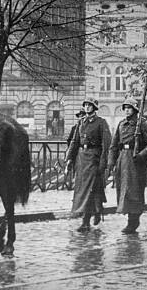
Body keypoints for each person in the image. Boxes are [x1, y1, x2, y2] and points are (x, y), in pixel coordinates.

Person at [108, 98, 147, 234]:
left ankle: (133, 220)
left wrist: (142, 155)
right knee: (124, 190)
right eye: (125, 108)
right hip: (123, 159)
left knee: (134, 191)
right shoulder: (121, 124)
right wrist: (111, 161)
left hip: (136, 162)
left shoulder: (143, 124)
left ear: (135, 109)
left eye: (129, 108)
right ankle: (129, 217)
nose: (127, 110)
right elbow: (114, 144)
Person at [65, 98, 111, 232]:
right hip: (81, 159)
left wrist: (103, 163)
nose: (87, 107)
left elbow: (106, 144)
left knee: (90, 190)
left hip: (94, 158)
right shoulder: (81, 122)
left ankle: (86, 221)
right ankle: (97, 210)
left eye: (89, 105)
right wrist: (69, 159)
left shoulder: (101, 123)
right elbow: (74, 142)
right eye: (85, 105)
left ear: (94, 108)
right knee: (85, 189)